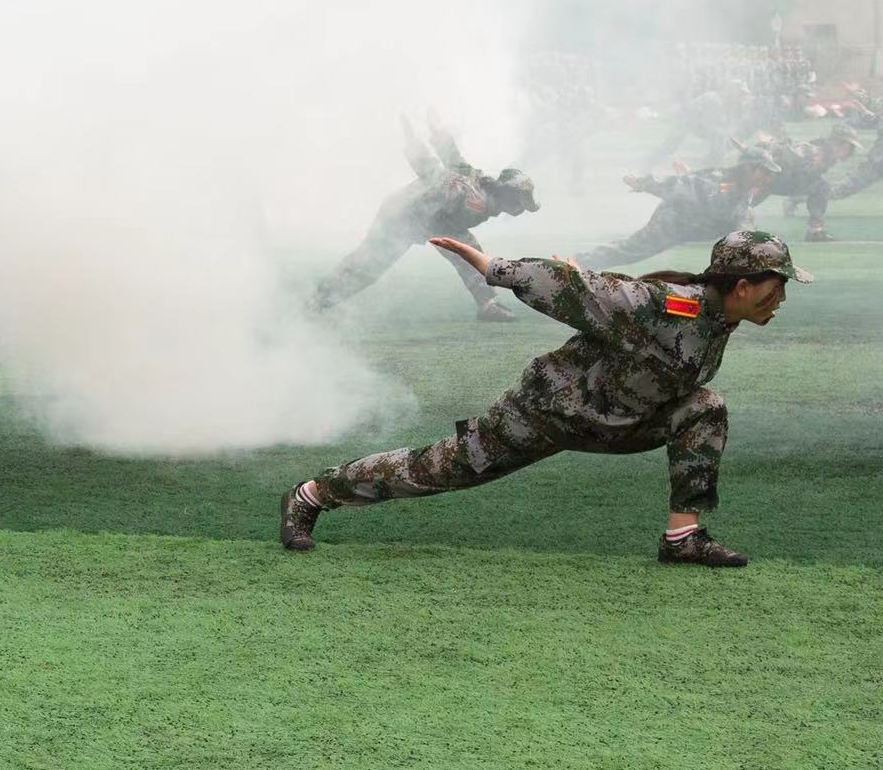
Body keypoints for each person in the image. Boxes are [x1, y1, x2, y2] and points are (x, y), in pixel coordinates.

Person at [279, 230, 810, 567]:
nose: (781, 299)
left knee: (705, 409)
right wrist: (493, 269)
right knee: (439, 469)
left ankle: (682, 539)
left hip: (618, 424)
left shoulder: (721, 320)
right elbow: (572, 287)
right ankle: (312, 495)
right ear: (742, 284)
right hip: (546, 412)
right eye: (776, 286)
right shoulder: (668, 305)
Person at [310, 115, 538, 322]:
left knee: (470, 254)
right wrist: (413, 143)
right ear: (508, 196)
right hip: (403, 217)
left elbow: (454, 159)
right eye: (519, 201)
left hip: (438, 222)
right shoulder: (472, 198)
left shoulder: (480, 186)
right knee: (369, 265)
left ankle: (488, 304)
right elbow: (432, 173)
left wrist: (437, 133)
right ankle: (319, 300)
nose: (519, 209)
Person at [573, 146, 778, 270]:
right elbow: (682, 187)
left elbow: (742, 218)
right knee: (633, 249)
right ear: (748, 167)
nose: (768, 177)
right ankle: (577, 264)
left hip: (705, 223)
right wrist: (649, 185)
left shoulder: (745, 189)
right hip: (676, 220)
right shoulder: (720, 182)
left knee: (743, 243)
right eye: (764, 171)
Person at [761, 125, 860, 243]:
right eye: (848, 146)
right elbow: (790, 157)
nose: (850, 151)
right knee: (822, 187)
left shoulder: (828, 157)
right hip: (772, 179)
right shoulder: (814, 150)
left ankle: (815, 230)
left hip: (782, 182)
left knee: (820, 187)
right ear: (837, 143)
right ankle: (815, 231)